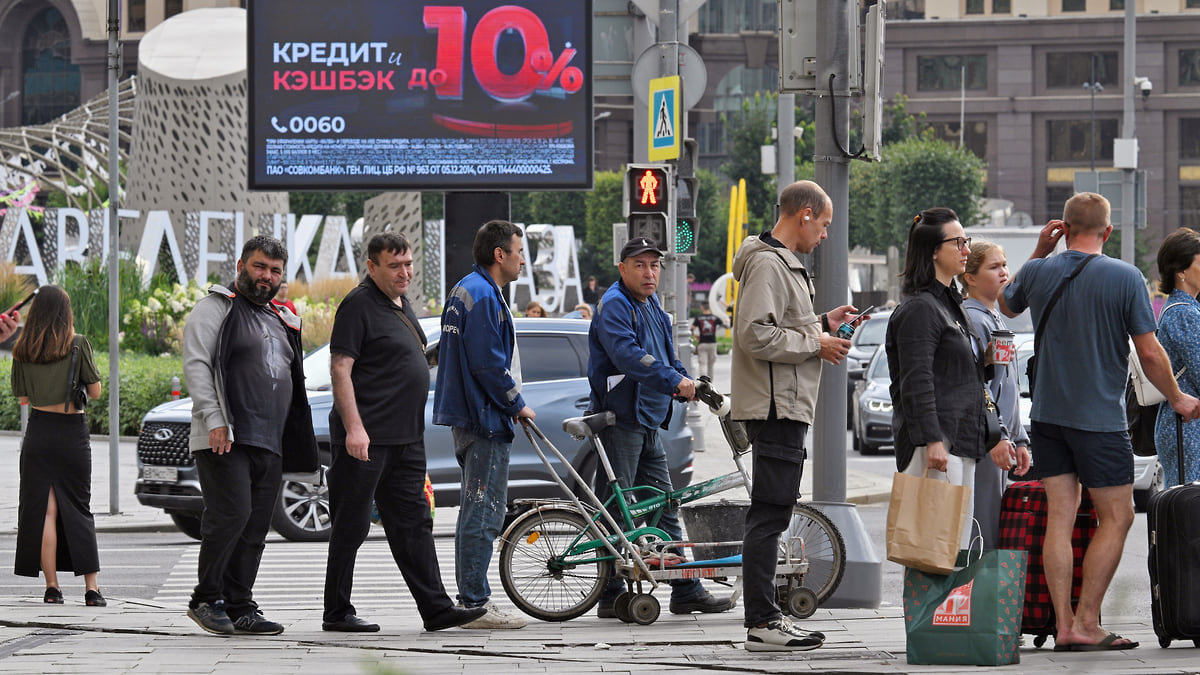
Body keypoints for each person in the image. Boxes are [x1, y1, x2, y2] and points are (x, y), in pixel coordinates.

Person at [1001, 192, 1200, 651]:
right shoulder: (1125, 276)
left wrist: (1037, 252)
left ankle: (1064, 623)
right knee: (1119, 515)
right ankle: (1086, 622)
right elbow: (1149, 353)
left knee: (1060, 518)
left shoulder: (1037, 270)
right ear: (1107, 232)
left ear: (1064, 228)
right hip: (1099, 420)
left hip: (1047, 415)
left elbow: (1009, 307)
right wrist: (1179, 398)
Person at [322, 233, 486, 633]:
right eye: (394, 266)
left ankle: (436, 609)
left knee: (413, 524)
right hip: (368, 439)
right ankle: (337, 612)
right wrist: (354, 429)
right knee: (352, 525)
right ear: (372, 266)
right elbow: (340, 369)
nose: (405, 272)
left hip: (406, 439)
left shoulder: (401, 304)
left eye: (409, 263)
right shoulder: (358, 305)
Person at [730, 180, 855, 652]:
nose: (824, 234)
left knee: (772, 512)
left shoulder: (774, 261)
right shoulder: (768, 262)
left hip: (781, 402)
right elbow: (755, 336)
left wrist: (821, 323)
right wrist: (816, 343)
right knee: (770, 514)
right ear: (804, 215)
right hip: (775, 405)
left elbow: (775, 326)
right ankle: (762, 622)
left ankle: (765, 620)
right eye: (822, 224)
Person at [588, 236, 732, 619]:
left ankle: (685, 588)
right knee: (616, 511)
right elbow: (630, 357)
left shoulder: (651, 303)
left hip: (649, 420)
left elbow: (668, 356)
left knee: (666, 506)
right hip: (621, 420)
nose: (649, 272)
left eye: (654, 265)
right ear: (622, 269)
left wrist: (691, 383)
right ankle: (609, 592)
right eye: (640, 265)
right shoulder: (615, 305)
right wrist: (673, 382)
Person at [182, 235, 320, 636]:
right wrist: (214, 419)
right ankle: (206, 598)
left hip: (270, 440)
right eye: (260, 267)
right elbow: (197, 366)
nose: (267, 276)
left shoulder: (280, 318)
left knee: (256, 527)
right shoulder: (216, 308)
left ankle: (241, 605)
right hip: (225, 435)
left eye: (275, 270)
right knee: (231, 515)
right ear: (242, 264)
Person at [433, 220, 535, 630]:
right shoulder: (483, 296)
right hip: (485, 418)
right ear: (500, 254)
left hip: (471, 416)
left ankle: (471, 598)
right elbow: (489, 364)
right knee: (484, 512)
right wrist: (518, 404)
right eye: (519, 251)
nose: (522, 259)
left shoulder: (466, 289)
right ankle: (475, 603)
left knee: (474, 511)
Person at [887, 208, 1007, 554]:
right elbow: (916, 380)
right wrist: (933, 440)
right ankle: (926, 611)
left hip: (961, 441)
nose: (966, 249)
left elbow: (952, 374)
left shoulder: (950, 304)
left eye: (966, 241)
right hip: (938, 446)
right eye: (958, 242)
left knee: (950, 549)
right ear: (934, 251)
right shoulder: (921, 308)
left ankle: (941, 611)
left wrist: (983, 361)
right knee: (929, 549)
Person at [11, 285, 104, 606]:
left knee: (45, 512)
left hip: (39, 433)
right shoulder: (78, 344)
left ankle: (52, 587)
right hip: (71, 434)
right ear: (66, 314)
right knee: (78, 509)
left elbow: (23, 398)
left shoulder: (23, 349)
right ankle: (92, 590)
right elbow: (95, 392)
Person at [959, 241, 1031, 549]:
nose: (1003, 272)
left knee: (992, 526)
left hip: (1000, 439)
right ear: (970, 278)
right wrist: (1000, 435)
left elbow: (1006, 386)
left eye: (1004, 265)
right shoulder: (974, 319)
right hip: (988, 439)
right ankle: (976, 596)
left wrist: (1020, 437)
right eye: (993, 267)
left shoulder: (993, 316)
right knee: (983, 531)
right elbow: (979, 386)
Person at [1153, 227, 1200, 486]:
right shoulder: (1185, 314)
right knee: (1191, 512)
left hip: (1183, 425)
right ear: (1181, 271)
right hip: (1188, 428)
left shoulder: (1181, 309)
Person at [691, 301, 722, 381]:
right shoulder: (715, 318)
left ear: (702, 308)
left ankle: (703, 383)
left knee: (703, 364)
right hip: (712, 343)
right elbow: (723, 324)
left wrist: (695, 336)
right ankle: (711, 384)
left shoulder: (698, 318)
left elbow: (692, 329)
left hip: (702, 343)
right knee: (711, 365)